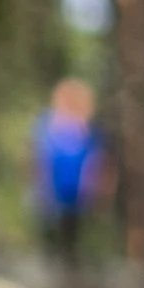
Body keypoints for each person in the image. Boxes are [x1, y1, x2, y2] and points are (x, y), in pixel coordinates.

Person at [33, 73, 107, 265]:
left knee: (72, 234)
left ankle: (70, 269)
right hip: (53, 187)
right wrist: (42, 185)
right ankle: (52, 266)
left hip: (76, 191)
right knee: (50, 232)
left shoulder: (88, 127)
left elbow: (94, 159)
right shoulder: (47, 123)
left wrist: (92, 187)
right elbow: (40, 157)